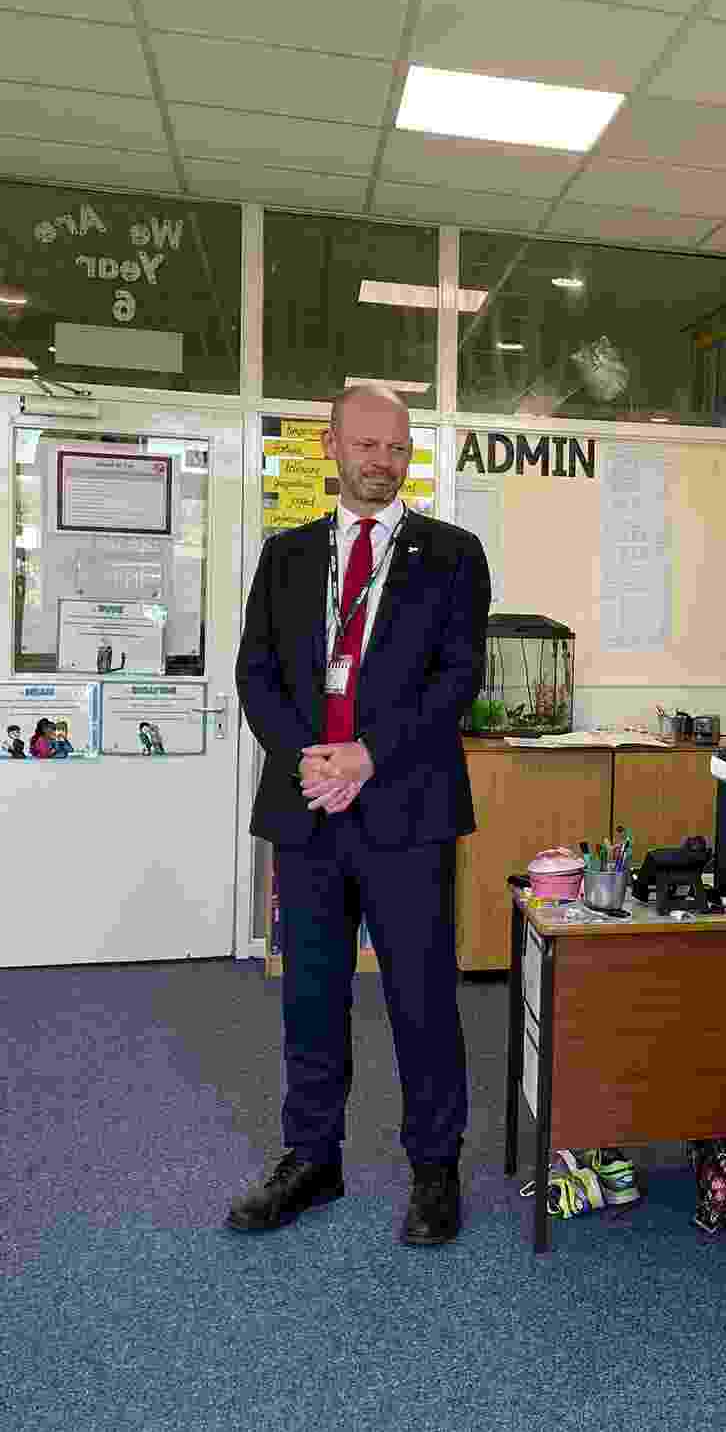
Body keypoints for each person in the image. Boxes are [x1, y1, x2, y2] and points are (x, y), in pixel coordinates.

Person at [230, 384, 492, 1249]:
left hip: (406, 809)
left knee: (421, 996)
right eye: (367, 445)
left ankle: (434, 1167)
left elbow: (456, 679)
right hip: (309, 809)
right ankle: (312, 1157)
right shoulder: (287, 557)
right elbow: (255, 674)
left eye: (399, 447)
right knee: (310, 993)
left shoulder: (452, 555)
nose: (383, 461)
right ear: (331, 447)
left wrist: (368, 756)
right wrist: (311, 758)